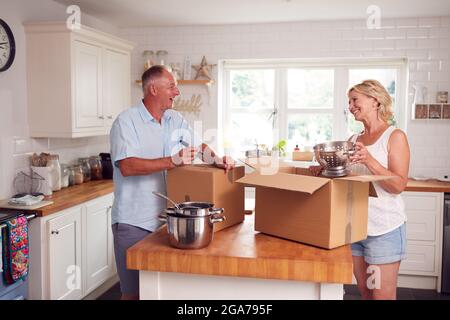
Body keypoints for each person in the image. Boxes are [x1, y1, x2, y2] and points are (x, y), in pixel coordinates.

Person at [109, 65, 235, 300]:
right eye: (172, 86)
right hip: (133, 223)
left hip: (166, 222)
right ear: (154, 89)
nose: (177, 92)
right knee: (133, 294)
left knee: (159, 291)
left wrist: (218, 160)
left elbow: (198, 147)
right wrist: (171, 161)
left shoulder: (173, 119)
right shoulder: (126, 122)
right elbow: (127, 166)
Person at [310, 79, 410, 300]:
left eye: (355, 100)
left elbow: (398, 185)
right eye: (349, 101)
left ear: (375, 101)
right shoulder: (353, 140)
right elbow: (348, 180)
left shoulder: (394, 137)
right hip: (355, 228)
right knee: (365, 293)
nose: (351, 105)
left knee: (381, 296)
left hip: (384, 229)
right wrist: (325, 168)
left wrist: (370, 160)